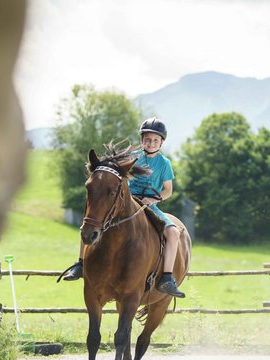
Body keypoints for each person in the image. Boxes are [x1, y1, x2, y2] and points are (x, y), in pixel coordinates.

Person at [61, 117, 185, 298]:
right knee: (89, 224)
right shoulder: (132, 158)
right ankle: (80, 264)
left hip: (149, 205)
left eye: (155, 140)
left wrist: (153, 199)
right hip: (127, 202)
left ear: (161, 142)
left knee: (173, 233)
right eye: (147, 139)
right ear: (142, 140)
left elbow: (168, 190)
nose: (151, 143)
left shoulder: (165, 164)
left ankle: (167, 278)